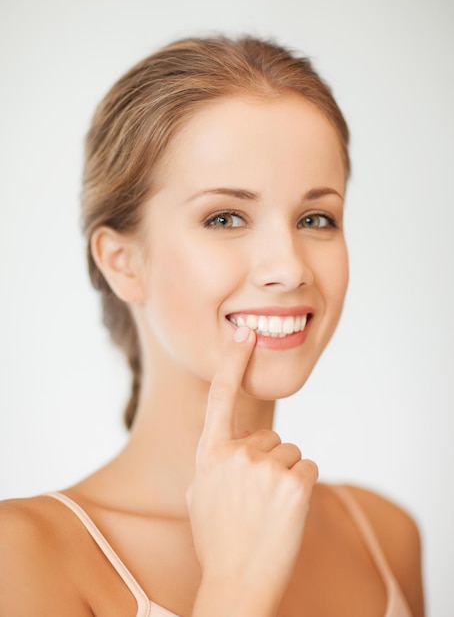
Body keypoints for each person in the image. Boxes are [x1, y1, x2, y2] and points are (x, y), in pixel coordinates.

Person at [0, 35, 424, 616]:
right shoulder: (21, 556)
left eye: (316, 217)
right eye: (225, 217)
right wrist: (236, 587)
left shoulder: (384, 535)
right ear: (122, 261)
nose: (289, 267)